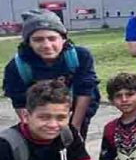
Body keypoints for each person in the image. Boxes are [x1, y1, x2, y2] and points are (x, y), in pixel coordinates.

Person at [2, 9, 99, 138]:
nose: (47, 45)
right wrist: (35, 131)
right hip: (39, 114)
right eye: (38, 40)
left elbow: (85, 92)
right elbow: (20, 103)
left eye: (52, 38)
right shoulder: (17, 66)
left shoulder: (80, 56)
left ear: (64, 39)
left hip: (76, 110)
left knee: (72, 148)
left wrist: (75, 129)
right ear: (28, 43)